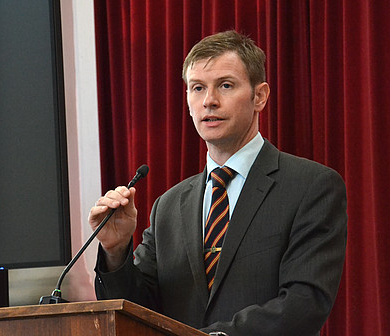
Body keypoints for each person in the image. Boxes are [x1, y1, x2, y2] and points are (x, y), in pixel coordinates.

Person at [89, 30, 347, 336]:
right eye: (197, 88)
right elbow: (137, 314)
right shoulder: (169, 206)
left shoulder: (311, 186)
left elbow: (305, 303)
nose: (209, 101)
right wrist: (116, 250)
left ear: (260, 96)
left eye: (225, 85)